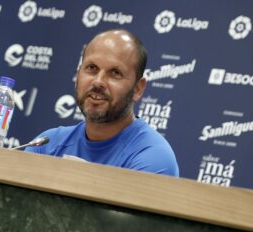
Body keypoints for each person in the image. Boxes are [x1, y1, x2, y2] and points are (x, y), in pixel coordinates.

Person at [26, 29, 179, 176]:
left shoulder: (152, 158)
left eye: (115, 73)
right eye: (92, 68)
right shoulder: (46, 145)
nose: (98, 81)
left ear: (138, 89)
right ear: (78, 75)